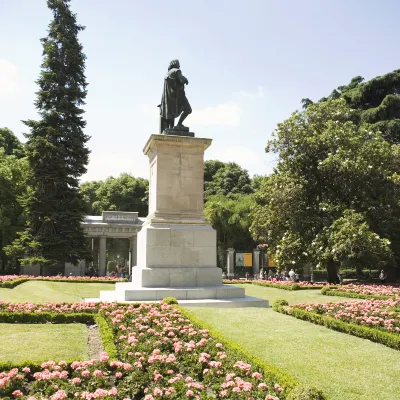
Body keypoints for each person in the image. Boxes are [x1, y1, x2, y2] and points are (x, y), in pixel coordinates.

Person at [159, 59, 192, 132]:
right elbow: (181, 80)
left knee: (171, 114)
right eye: (178, 64)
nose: (179, 66)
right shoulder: (177, 71)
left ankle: (174, 127)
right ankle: (179, 124)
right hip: (179, 97)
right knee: (188, 110)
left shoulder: (167, 74)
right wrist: (185, 79)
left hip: (170, 98)